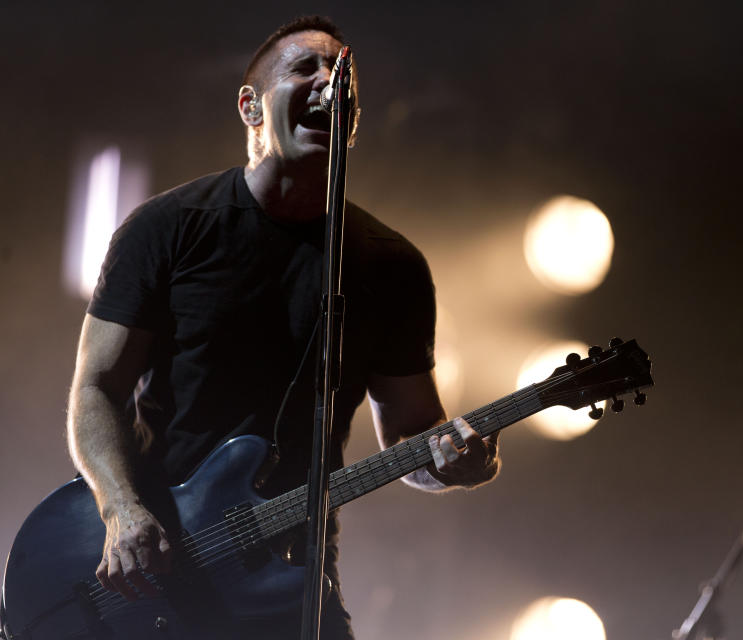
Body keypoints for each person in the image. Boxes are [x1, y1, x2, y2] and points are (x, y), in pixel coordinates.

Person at [66, 15, 500, 639]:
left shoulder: (391, 266)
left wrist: (460, 461)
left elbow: (413, 441)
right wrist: (122, 508)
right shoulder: (166, 227)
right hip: (158, 566)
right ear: (250, 106)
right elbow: (96, 389)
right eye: (306, 69)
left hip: (292, 577)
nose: (330, 82)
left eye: (343, 79)